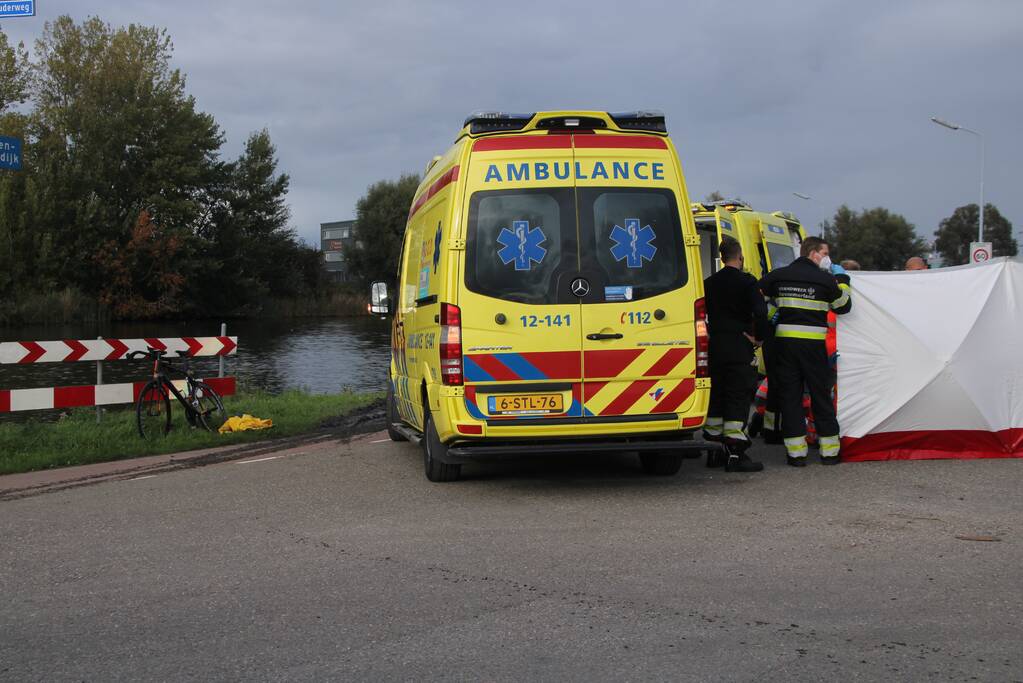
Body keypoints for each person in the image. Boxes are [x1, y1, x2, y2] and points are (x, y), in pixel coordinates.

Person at [758, 237, 852, 466]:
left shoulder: (779, 275)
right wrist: (842, 279)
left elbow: (757, 297)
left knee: (790, 397)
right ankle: (829, 453)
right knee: (820, 396)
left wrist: (771, 314)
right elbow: (844, 306)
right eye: (825, 252)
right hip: (813, 347)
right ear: (813, 253)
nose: (827, 257)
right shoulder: (825, 279)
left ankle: (796, 454)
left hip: (785, 346)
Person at [702, 237, 769, 472]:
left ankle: (714, 453)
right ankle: (736, 455)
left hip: (715, 345)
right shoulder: (748, 282)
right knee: (737, 397)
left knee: (717, 397)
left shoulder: (709, 283)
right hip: (739, 345)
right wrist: (759, 338)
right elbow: (761, 313)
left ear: (722, 257)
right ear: (739, 257)